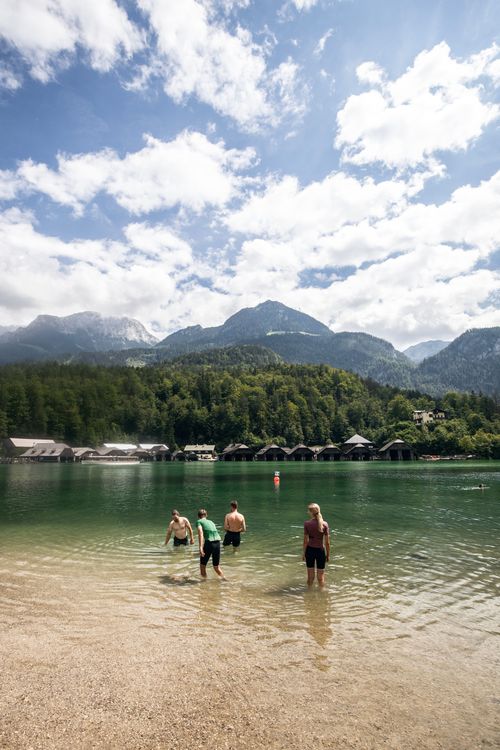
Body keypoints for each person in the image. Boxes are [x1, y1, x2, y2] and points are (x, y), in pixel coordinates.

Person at [303, 503, 330, 587]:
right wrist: (328, 555)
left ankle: (308, 594)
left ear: (311, 512)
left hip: (310, 551)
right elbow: (327, 543)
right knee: (320, 578)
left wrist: (303, 554)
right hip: (320, 551)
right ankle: (322, 595)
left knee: (310, 577)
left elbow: (305, 541)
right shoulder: (325, 524)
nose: (307, 512)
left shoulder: (307, 524)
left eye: (308, 510)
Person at [196, 509, 224, 578]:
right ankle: (224, 580)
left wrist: (200, 547)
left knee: (202, 566)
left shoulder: (199, 521)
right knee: (216, 567)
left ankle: (204, 584)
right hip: (217, 543)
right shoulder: (211, 522)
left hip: (209, 543)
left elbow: (200, 532)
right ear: (206, 515)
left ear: (198, 516)